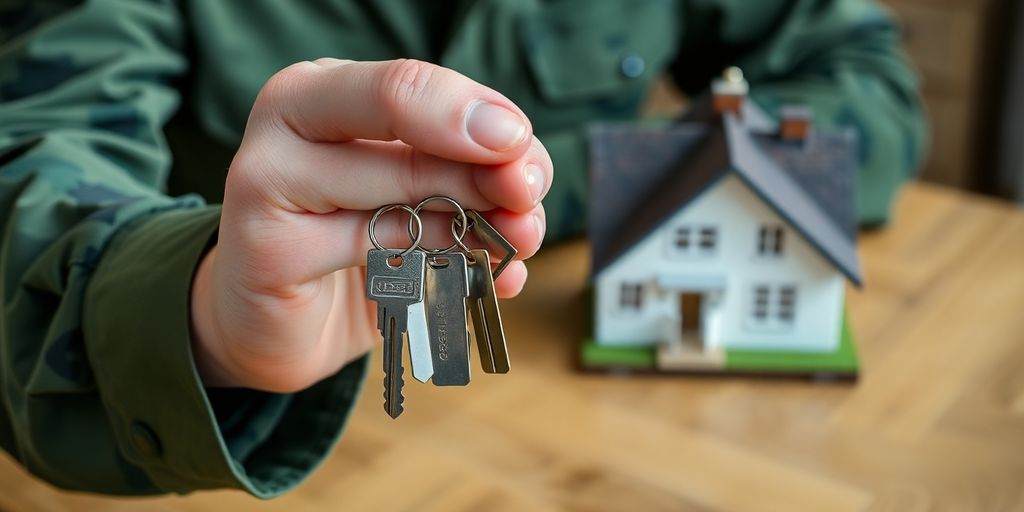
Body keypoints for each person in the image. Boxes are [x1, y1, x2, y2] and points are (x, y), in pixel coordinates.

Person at [0, 0, 926, 498]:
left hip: (565, 395)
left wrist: (614, 183)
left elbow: (871, 88)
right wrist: (198, 311)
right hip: (298, 419)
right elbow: (32, 160)